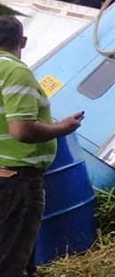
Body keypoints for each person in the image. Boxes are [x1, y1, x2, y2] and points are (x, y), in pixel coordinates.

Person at [0, 16, 84, 276]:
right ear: (22, 41)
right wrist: (62, 128)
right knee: (10, 261)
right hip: (17, 180)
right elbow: (22, 131)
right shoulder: (15, 70)